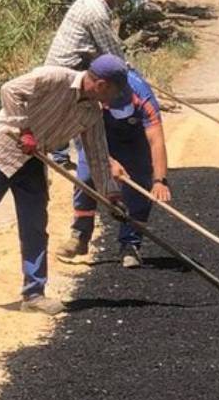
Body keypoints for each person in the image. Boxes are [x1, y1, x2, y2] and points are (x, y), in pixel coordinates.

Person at [0, 55, 128, 317]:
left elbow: (98, 155)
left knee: (35, 225)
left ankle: (34, 294)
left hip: (34, 160)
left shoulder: (92, 112)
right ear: (102, 84)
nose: (114, 99)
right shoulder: (55, 77)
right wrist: (24, 130)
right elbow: (10, 90)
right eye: (114, 92)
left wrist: (111, 195)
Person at [59, 67, 173, 269]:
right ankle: (80, 235)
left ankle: (130, 244)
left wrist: (159, 181)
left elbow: (156, 140)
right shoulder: (94, 97)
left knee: (139, 183)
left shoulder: (144, 100)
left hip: (134, 139)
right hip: (96, 134)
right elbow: (86, 138)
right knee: (86, 179)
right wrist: (108, 162)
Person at [45, 0, 130, 71]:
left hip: (54, 63)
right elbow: (111, 51)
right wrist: (129, 70)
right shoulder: (97, 13)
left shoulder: (84, 1)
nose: (120, 1)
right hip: (68, 68)